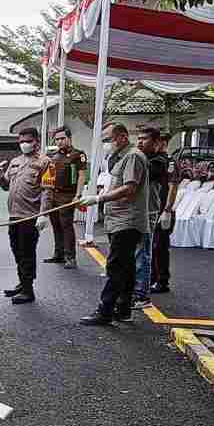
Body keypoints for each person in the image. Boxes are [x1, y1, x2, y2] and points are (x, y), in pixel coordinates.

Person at [79, 123, 149, 325]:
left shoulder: (133, 156)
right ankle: (123, 308)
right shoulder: (120, 157)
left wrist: (99, 199)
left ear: (123, 137)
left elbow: (129, 188)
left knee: (116, 266)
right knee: (125, 267)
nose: (106, 144)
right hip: (118, 219)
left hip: (127, 220)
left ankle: (105, 311)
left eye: (108, 139)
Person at [0, 127, 51, 304]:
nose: (24, 144)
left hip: (30, 216)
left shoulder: (46, 162)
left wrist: (43, 214)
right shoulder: (15, 161)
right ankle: (23, 283)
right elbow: (6, 185)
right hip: (14, 214)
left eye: (27, 141)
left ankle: (28, 290)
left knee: (26, 252)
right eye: (21, 141)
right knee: (16, 250)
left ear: (36, 141)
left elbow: (47, 191)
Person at [43, 126, 87, 269]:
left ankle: (70, 257)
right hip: (54, 195)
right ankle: (59, 254)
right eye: (57, 139)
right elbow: (49, 176)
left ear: (69, 138)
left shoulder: (77, 155)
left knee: (66, 225)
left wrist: (78, 195)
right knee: (55, 224)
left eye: (62, 138)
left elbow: (81, 175)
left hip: (68, 195)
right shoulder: (54, 156)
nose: (60, 141)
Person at [132, 127, 164, 308]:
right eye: (139, 139)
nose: (140, 142)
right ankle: (135, 290)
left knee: (142, 253)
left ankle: (142, 294)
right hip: (135, 211)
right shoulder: (138, 158)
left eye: (145, 139)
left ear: (156, 142)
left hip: (148, 212)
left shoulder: (158, 161)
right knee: (134, 253)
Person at [150, 132, 179, 293]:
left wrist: (167, 209)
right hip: (154, 208)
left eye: (158, 141)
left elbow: (173, 186)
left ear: (163, 143)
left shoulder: (170, 162)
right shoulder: (154, 160)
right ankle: (152, 277)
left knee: (160, 246)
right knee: (152, 245)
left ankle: (162, 280)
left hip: (163, 209)